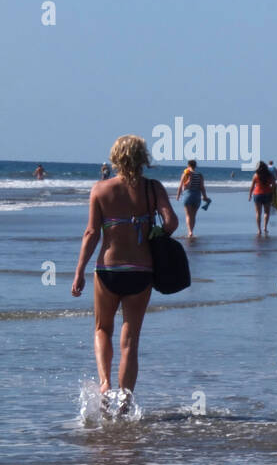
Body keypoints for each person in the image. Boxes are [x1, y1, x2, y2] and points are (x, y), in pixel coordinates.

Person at [71, 135, 179, 410]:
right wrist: (153, 231)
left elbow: (91, 232)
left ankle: (105, 383)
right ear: (142, 157)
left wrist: (79, 270)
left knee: (102, 328)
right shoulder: (152, 189)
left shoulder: (100, 189)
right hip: (141, 270)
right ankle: (125, 402)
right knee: (130, 339)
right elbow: (171, 222)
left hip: (108, 269)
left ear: (115, 158)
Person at [175, 158, 209, 238]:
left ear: (188, 165)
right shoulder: (200, 175)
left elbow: (181, 186)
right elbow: (202, 187)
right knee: (193, 216)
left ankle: (189, 232)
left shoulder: (185, 174)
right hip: (197, 196)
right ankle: (191, 232)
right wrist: (204, 197)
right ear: (195, 166)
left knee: (188, 215)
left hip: (188, 195)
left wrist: (178, 195)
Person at [249, 160, 276, 235]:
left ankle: (259, 230)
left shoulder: (255, 175)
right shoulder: (270, 175)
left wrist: (250, 195)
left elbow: (252, 186)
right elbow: (273, 186)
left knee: (258, 213)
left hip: (257, 194)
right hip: (267, 194)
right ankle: (265, 227)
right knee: (266, 212)